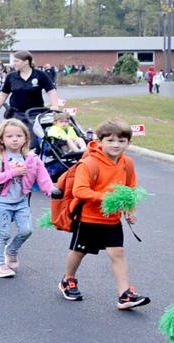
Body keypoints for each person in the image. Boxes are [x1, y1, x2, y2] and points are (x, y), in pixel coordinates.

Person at [59, 120, 147, 310]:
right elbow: (80, 191)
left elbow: (130, 189)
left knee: (118, 253)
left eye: (122, 141)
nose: (116, 145)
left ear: (128, 143)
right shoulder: (89, 163)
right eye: (110, 140)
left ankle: (125, 295)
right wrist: (107, 197)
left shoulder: (127, 163)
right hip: (88, 218)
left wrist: (130, 210)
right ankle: (68, 279)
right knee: (79, 251)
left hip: (112, 219)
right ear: (100, 141)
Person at [0, 119, 58, 278]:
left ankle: (11, 250)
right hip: (2, 203)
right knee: (3, 234)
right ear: (1, 139)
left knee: (26, 230)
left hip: (21, 202)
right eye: (9, 136)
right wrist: (12, 173)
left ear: (25, 138)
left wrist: (53, 192)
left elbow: (43, 179)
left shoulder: (32, 159)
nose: (15, 139)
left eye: (19, 135)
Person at [0, 53, 62, 124]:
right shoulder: (11, 77)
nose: (14, 64)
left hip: (35, 113)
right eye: (14, 61)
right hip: (16, 114)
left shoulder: (40, 75)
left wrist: (55, 106)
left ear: (26, 62)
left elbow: (51, 91)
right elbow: (3, 95)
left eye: (16, 61)